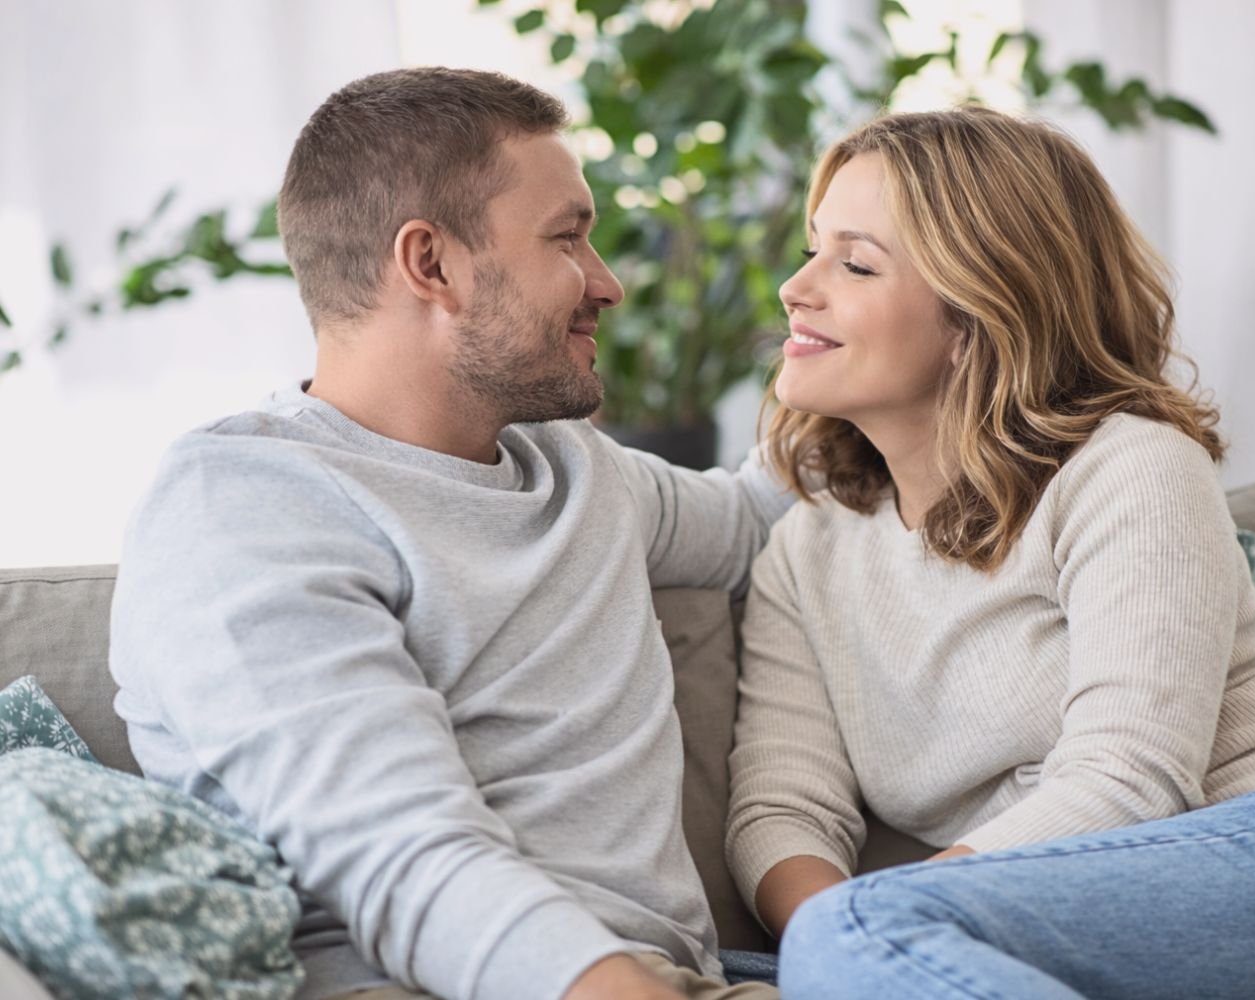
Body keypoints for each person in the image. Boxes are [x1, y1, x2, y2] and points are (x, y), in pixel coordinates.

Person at [725, 106, 1255, 1000]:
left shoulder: (1128, 467)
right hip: (1058, 919)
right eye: (813, 249)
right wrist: (843, 946)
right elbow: (783, 811)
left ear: (981, 312)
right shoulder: (806, 548)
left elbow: (1132, 775)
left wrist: (872, 926)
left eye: (854, 263)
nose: (796, 288)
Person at [109, 68, 786, 1000]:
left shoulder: (577, 468)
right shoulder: (243, 507)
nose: (608, 284)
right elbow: (402, 858)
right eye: (569, 238)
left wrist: (864, 370)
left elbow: (762, 522)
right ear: (430, 263)